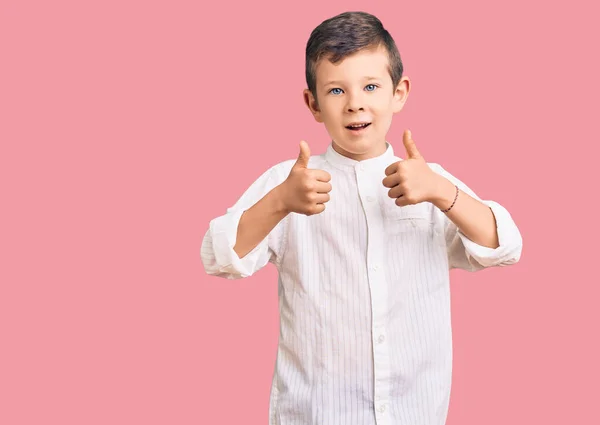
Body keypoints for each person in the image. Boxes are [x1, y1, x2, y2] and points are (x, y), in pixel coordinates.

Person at [200, 10, 523, 425]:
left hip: (416, 412)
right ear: (312, 103)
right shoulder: (290, 181)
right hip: (315, 414)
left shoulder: (429, 181)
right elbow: (218, 255)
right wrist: (280, 201)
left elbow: (505, 246)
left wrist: (443, 192)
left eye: (371, 86)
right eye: (336, 90)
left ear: (399, 92)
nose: (355, 103)